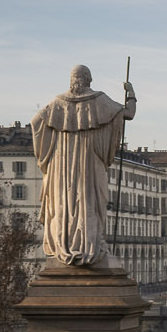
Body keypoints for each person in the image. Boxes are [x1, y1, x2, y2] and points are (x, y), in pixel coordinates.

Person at [31, 65, 136, 270]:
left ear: (72, 80)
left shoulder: (57, 104)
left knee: (63, 205)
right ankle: (90, 245)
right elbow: (128, 114)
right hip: (90, 163)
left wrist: (48, 153)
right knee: (90, 203)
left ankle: (65, 244)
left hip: (61, 166)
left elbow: (36, 122)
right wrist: (131, 92)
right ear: (89, 80)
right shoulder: (99, 100)